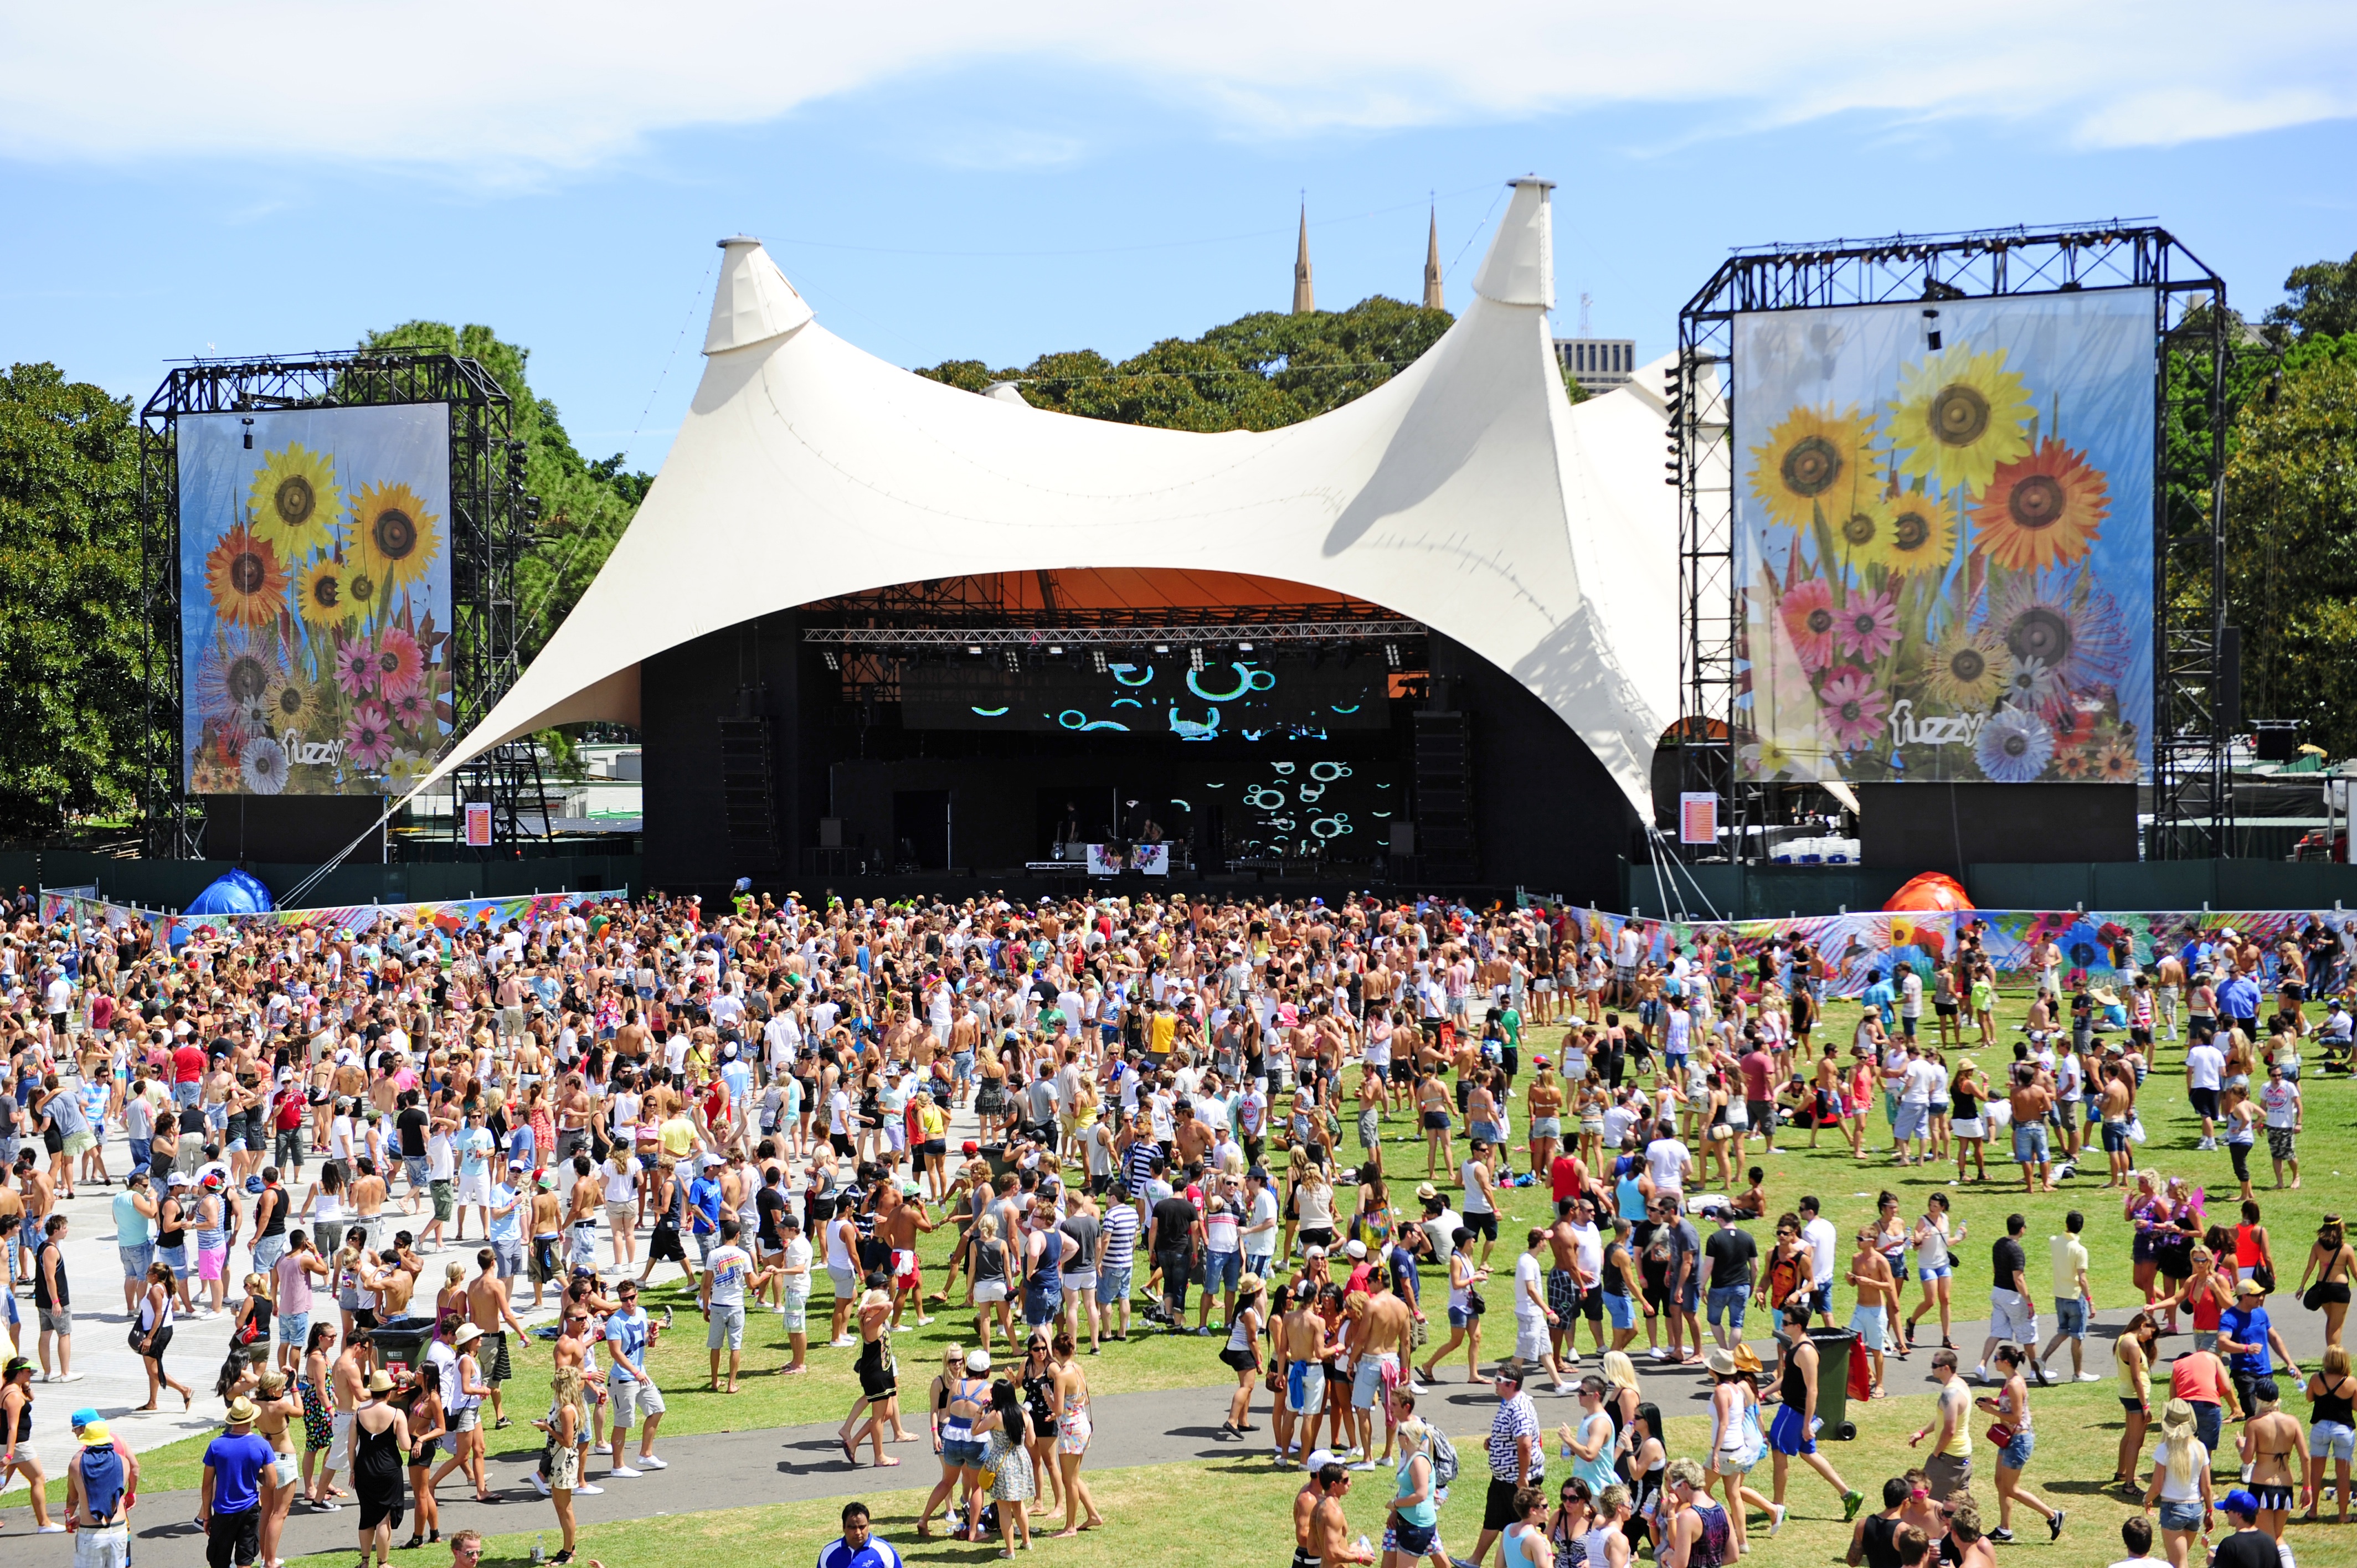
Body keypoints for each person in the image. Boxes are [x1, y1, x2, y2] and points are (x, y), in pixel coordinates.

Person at [1766, 1302, 1864, 1521]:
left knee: (1779, 1454)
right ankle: (1848, 1494)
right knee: (1808, 1453)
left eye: (1786, 1323)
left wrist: (1806, 1423)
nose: (1782, 1326)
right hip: (1797, 1411)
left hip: (1794, 1412)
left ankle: (1778, 1506)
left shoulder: (1806, 1351)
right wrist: (1764, 1393)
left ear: (1798, 1326)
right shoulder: (1796, 1346)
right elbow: (1788, 1379)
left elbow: (1813, 1389)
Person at [1974, 1344, 2061, 1544]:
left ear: (2005, 1362)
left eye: (1995, 1358)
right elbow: (2010, 1404)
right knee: (2000, 1482)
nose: (1993, 1361)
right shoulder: (2010, 1380)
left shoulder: (2014, 1383)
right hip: (2010, 1439)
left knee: (2012, 1488)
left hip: (2019, 1441)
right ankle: (2005, 1529)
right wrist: (1995, 1401)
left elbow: (2016, 1417)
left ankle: (2053, 1515)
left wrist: (1991, 1411)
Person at [1471, 1359, 1545, 1568]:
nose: (1495, 1383)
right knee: (1494, 1519)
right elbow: (1512, 1437)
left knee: (1531, 1523)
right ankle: (1474, 1561)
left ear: (1512, 1384)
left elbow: (1525, 1446)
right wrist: (1493, 1443)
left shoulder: (1519, 1408)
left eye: (1499, 1379)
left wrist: (1522, 1478)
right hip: (1503, 1477)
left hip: (1516, 1478)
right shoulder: (1509, 1404)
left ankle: (1544, 1559)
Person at [199, 1396, 277, 1568]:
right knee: (245, 1562)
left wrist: (207, 1516)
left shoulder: (216, 1446)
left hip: (223, 1511)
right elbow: (272, 1482)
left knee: (218, 1561)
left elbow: (206, 1486)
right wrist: (254, 1472)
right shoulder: (262, 1445)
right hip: (250, 1510)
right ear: (252, 1418)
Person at [603, 1278, 667, 1476]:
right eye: (624, 1300)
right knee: (623, 1422)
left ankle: (646, 1454)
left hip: (641, 1375)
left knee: (657, 1409)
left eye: (632, 1297)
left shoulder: (641, 1313)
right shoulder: (615, 1322)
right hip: (624, 1379)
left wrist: (651, 1339)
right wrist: (636, 1372)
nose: (629, 1303)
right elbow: (617, 1353)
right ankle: (618, 1466)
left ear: (637, 1295)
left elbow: (639, 1342)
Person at [2139, 1399, 2211, 1568]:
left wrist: (2147, 1499)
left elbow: (2157, 1486)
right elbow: (2207, 1487)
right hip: (2196, 1509)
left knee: (2178, 1563)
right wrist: (2209, 1511)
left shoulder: (2164, 1449)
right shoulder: (2201, 1447)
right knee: (2182, 1559)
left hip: (2173, 1510)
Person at [349, 1368, 410, 1568]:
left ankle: (365, 1561)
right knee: (384, 1518)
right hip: (388, 1470)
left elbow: (351, 1446)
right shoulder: (397, 1414)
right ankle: (383, 1563)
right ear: (389, 1392)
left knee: (367, 1515)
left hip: (364, 1468)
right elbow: (405, 1446)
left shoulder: (358, 1414)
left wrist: (353, 1470)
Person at [2236, 1377, 2304, 1543]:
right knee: (2277, 1536)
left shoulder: (2254, 1423)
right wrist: (2307, 1487)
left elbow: (2247, 1459)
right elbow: (2306, 1457)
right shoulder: (2292, 1422)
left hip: (2262, 1485)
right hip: (2285, 1485)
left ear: (2258, 1398)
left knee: (2267, 1538)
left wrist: (2240, 1446)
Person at [1, 1356, 63, 1532]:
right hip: (18, 1445)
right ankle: (44, 1523)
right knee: (38, 1479)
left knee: (1, 1483)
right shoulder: (13, 1395)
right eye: (29, 1372)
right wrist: (9, 1455)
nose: (32, 1374)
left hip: (12, 1445)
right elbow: (13, 1427)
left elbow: (32, 1398)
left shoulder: (13, 1389)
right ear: (19, 1372)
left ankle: (44, 1523)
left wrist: (26, 1385)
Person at [66, 1415, 136, 1567]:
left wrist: (72, 1516)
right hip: (118, 1530)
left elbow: (73, 1498)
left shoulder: (76, 1465)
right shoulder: (123, 1462)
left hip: (91, 1533)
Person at [2040, 1209, 2100, 1384]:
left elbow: (2055, 1239)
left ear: (2066, 1224)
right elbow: (2082, 1279)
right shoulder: (2080, 1250)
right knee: (2077, 1335)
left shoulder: (2055, 1242)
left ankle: (2042, 1360)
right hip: (2075, 1298)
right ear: (2081, 1228)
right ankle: (2078, 1374)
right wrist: (2091, 1302)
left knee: (2063, 1331)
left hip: (2059, 1297)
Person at [2303, 1342, 2356, 1524]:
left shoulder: (2316, 1378)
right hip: (2343, 1429)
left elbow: (2310, 1398)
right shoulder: (2351, 1382)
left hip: (2320, 1427)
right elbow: (2356, 1407)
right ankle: (2343, 1515)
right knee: (2343, 1474)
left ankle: (2313, 1511)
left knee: (2317, 1472)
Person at [539, 1363, 585, 1565]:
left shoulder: (567, 1410)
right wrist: (548, 1426)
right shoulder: (568, 1407)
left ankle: (567, 1551)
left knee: (565, 1508)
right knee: (560, 1506)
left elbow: (567, 1441)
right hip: (560, 1461)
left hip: (564, 1463)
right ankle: (570, 1546)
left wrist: (548, 1429)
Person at [818, 1501, 906, 1568]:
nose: (858, 1532)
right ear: (844, 1527)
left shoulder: (885, 1551)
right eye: (852, 1527)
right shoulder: (828, 1552)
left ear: (868, 1525)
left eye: (862, 1527)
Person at [2205, 1488, 2278, 1568]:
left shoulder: (2230, 1545)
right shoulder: (2270, 1541)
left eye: (2227, 1511)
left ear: (2239, 1514)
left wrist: (2212, 1564)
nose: (2226, 1514)